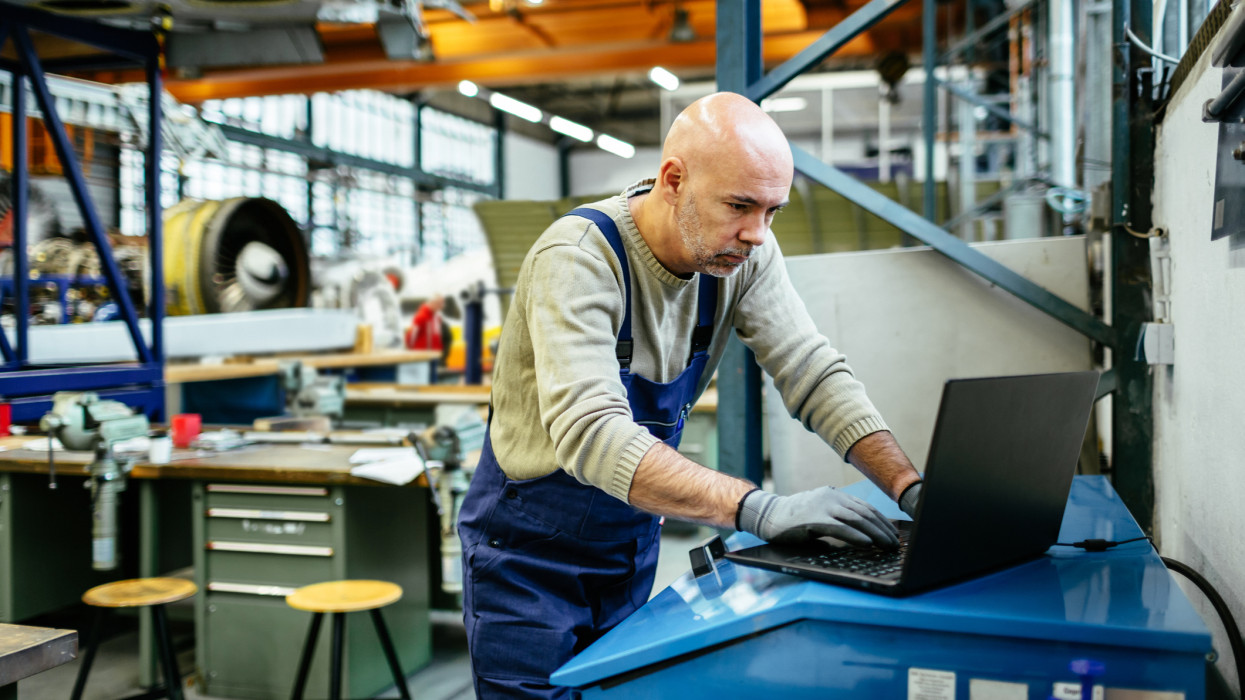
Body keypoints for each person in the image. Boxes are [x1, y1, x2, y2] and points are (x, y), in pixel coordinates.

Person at [457, 92, 924, 698]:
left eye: (771, 211)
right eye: (739, 206)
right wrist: (760, 509)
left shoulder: (737, 256)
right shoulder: (577, 258)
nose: (757, 233)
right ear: (673, 179)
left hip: (627, 548)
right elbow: (593, 437)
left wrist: (909, 488)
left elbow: (811, 369)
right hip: (525, 563)